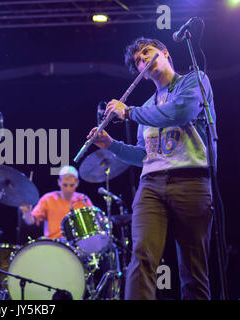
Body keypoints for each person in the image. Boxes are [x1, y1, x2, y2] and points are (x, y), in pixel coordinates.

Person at [87, 37, 216, 300]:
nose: (143, 60)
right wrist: (111, 144)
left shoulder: (194, 80)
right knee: (141, 255)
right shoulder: (145, 107)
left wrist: (128, 112)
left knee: (193, 269)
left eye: (147, 53)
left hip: (191, 180)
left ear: (165, 54)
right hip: (151, 186)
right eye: (138, 60)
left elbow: (180, 112)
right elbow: (146, 155)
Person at [20, 166, 93, 240]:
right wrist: (27, 212)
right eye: (65, 185)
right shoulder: (48, 199)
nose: (68, 189)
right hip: (53, 244)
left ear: (77, 183)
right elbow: (30, 221)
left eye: (71, 185)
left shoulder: (83, 199)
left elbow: (93, 224)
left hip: (77, 245)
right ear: (59, 182)